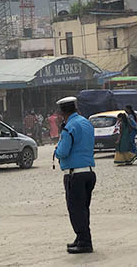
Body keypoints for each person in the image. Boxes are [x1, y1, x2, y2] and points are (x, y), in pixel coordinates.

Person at [53, 96, 96, 254]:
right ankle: (81, 237)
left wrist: (56, 150)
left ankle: (84, 242)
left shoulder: (69, 127)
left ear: (62, 112)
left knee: (76, 210)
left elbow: (63, 151)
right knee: (83, 209)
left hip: (75, 175)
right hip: (89, 172)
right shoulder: (86, 123)